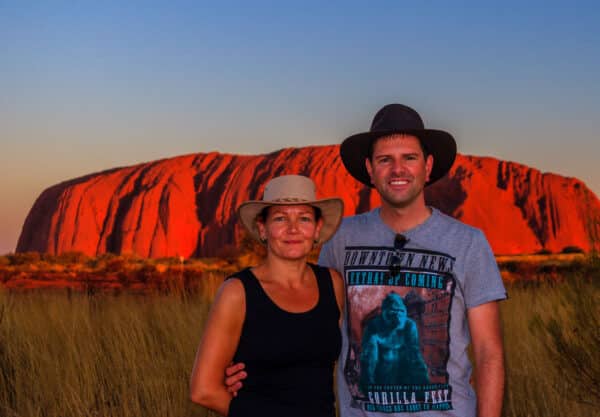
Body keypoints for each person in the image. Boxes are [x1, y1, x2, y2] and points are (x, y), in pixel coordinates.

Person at [225, 104, 507, 417]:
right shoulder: (342, 238)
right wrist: (252, 368)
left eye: (409, 158)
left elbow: (488, 353)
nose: (397, 169)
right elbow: (312, 329)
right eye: (385, 159)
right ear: (370, 169)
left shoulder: (468, 243)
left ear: (427, 166)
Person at [190, 174, 345, 417]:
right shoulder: (238, 291)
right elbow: (203, 390)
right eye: (280, 218)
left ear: (316, 228)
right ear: (263, 229)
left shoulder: (332, 284)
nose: (293, 229)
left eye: (304, 218)